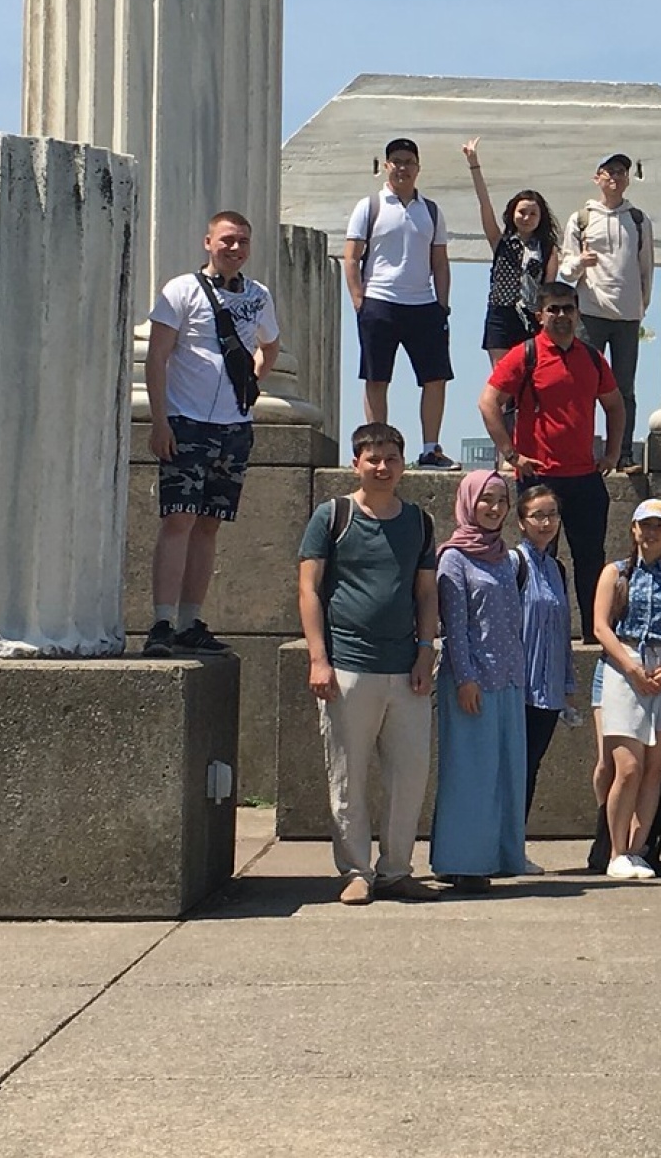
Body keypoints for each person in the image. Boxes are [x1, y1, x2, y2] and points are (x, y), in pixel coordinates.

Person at [296, 422, 440, 906]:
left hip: (406, 667)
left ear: (404, 464)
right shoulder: (332, 516)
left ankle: (396, 870)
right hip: (349, 666)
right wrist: (319, 659)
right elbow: (308, 589)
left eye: (392, 458)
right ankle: (355, 870)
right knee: (348, 776)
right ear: (355, 463)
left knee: (409, 777)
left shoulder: (419, 521)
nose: (383, 467)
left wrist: (426, 651)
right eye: (373, 458)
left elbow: (426, 593)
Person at [143, 209, 281, 655]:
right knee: (178, 519)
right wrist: (160, 420)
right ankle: (162, 620)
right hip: (186, 421)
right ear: (208, 243)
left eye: (242, 241)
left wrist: (252, 381)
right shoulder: (181, 289)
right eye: (227, 240)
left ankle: (190, 620)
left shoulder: (258, 294)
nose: (235, 248)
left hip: (234, 424)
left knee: (209, 524)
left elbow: (271, 344)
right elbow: (156, 357)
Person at [478, 280, 624, 644]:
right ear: (539, 315)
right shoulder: (525, 354)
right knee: (540, 561)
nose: (561, 316)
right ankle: (539, 637)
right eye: (553, 309)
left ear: (578, 313)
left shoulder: (592, 358)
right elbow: (488, 402)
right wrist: (511, 453)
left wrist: (612, 453)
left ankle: (595, 637)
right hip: (540, 478)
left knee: (591, 560)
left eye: (568, 308)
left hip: (585, 477)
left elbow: (615, 405)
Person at [430, 471, 527, 893]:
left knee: (503, 772)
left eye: (501, 500)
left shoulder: (506, 557)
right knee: (469, 773)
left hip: (508, 679)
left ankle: (496, 855)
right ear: (469, 501)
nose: (494, 508)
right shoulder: (453, 557)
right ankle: (462, 862)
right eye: (486, 499)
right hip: (471, 680)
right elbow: (454, 625)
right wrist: (465, 677)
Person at [590, 499, 661, 881]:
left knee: (653, 768)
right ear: (633, 529)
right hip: (624, 659)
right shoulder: (615, 572)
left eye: (659, 527)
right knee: (628, 767)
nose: (651, 533)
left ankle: (637, 848)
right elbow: (600, 626)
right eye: (645, 525)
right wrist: (631, 666)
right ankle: (616, 850)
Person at [346, 137, 457, 469]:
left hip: (423, 303)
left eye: (409, 161)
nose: (403, 168)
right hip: (379, 300)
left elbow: (440, 261)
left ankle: (430, 449)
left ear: (418, 168)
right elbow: (351, 256)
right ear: (386, 166)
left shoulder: (431, 211)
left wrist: (442, 305)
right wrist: (359, 301)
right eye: (396, 161)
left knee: (435, 377)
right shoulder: (369, 206)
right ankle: (377, 447)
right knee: (377, 377)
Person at [566, 152, 654, 475]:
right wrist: (580, 262)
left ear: (627, 179)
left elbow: (646, 268)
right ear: (597, 178)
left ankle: (623, 453)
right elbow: (566, 269)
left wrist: (641, 306)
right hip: (590, 312)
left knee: (624, 388)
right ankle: (581, 451)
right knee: (584, 386)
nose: (615, 177)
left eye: (621, 172)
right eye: (609, 171)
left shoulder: (639, 220)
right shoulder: (581, 218)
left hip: (627, 317)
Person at [512, 485, 578, 872]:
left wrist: (567, 685)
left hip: (548, 689)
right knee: (511, 770)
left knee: (530, 769)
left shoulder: (557, 569)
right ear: (522, 522)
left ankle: (514, 846)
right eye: (537, 515)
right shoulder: (513, 563)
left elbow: (563, 631)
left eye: (552, 514)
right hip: (517, 687)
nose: (546, 522)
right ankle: (499, 847)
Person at [461, 137, 562, 364]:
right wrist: (474, 164)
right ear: (512, 213)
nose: (526, 218)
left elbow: (549, 289)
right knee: (503, 375)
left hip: (532, 316)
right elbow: (485, 204)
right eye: (522, 212)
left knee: (531, 374)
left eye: (533, 214)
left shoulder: (548, 249)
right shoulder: (501, 242)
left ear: (541, 217)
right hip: (501, 313)